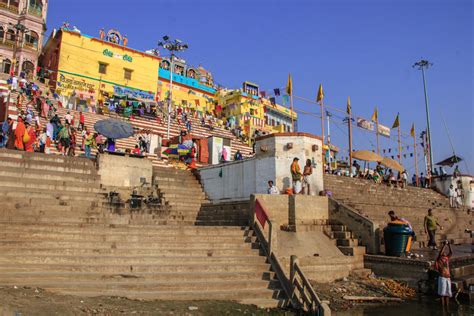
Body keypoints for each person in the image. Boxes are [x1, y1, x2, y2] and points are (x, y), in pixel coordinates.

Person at [435, 241, 453, 310]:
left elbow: (451, 253)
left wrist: (449, 245)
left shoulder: (446, 258)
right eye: (444, 252)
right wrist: (444, 245)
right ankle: (442, 309)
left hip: (448, 278)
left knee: (447, 294)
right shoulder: (439, 259)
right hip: (442, 278)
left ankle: (447, 308)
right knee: (442, 295)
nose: (445, 253)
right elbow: (440, 253)